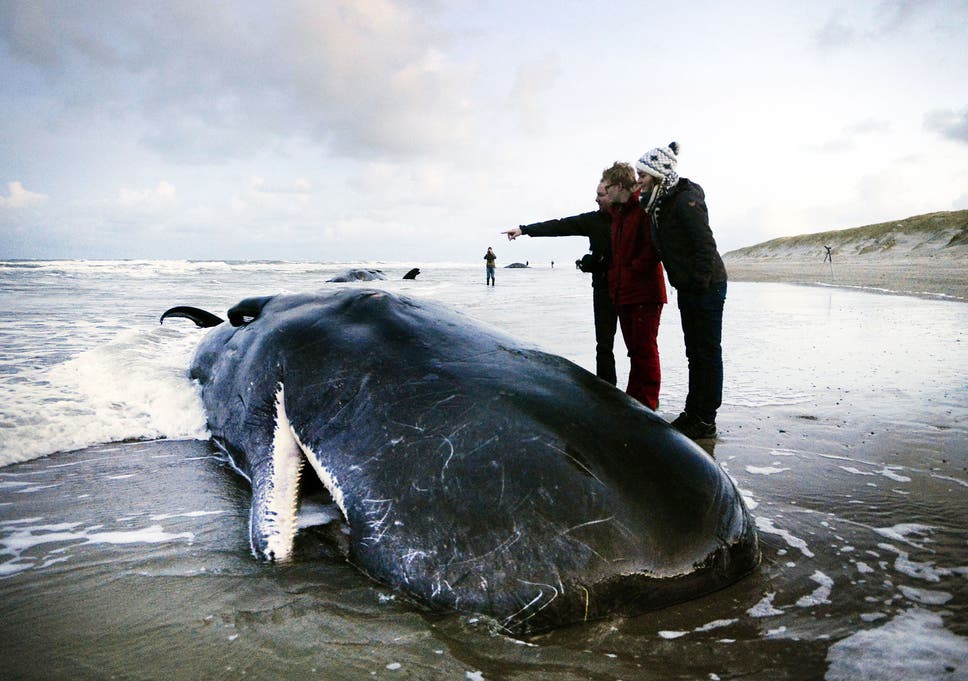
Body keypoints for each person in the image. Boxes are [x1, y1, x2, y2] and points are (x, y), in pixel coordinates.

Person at [636, 141, 727, 439]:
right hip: (689, 287)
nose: (639, 182)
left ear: (658, 176)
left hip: (706, 286)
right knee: (694, 353)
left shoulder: (685, 200)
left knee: (707, 352)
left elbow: (705, 246)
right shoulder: (658, 203)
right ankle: (693, 412)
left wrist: (697, 286)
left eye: (643, 176)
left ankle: (705, 419)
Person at [501, 180, 618, 385]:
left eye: (601, 195)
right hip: (602, 288)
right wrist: (524, 229)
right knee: (604, 346)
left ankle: (642, 405)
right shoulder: (593, 220)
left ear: (616, 192)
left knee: (638, 349)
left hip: (630, 289)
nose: (596, 199)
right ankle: (607, 395)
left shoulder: (632, 218)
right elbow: (560, 225)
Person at [603, 161, 667, 410]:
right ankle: (635, 400)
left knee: (645, 351)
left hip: (644, 292)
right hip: (624, 292)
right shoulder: (618, 213)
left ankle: (648, 404)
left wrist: (633, 270)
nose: (605, 194)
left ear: (619, 185)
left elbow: (653, 248)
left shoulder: (643, 207)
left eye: (608, 188)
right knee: (635, 351)